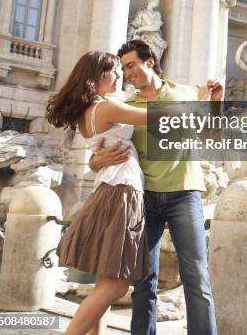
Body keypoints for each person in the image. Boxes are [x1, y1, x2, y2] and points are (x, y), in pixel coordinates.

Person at [89, 40, 223, 335]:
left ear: (150, 61)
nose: (127, 73)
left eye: (131, 65)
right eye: (123, 68)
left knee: (197, 278)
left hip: (184, 194)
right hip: (143, 199)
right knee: (143, 282)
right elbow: (95, 159)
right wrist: (98, 160)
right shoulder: (125, 105)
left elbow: (210, 138)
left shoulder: (186, 93)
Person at [46, 51, 150, 335]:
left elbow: (99, 154)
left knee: (104, 280)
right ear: (96, 77)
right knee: (116, 285)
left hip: (107, 189)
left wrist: (94, 160)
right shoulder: (105, 108)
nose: (119, 76)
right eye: (114, 71)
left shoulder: (87, 112)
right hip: (123, 192)